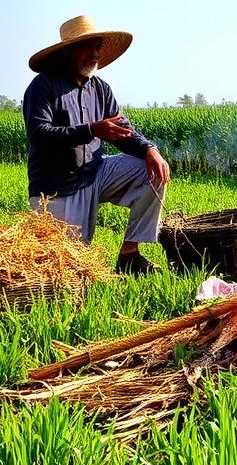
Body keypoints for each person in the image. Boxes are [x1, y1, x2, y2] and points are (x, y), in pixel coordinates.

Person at [23, 15, 170, 274]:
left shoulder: (100, 89)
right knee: (69, 269)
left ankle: (129, 256)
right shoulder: (43, 86)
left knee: (150, 170)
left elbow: (124, 131)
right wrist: (91, 130)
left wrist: (150, 149)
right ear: (68, 51)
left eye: (97, 48)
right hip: (57, 186)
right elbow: (40, 134)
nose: (94, 54)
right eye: (86, 47)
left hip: (94, 173)